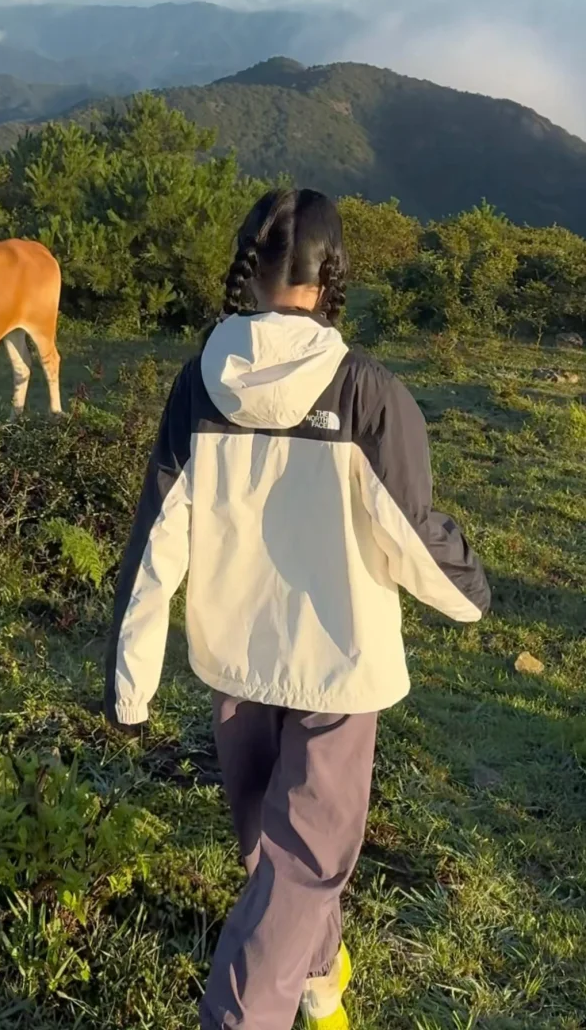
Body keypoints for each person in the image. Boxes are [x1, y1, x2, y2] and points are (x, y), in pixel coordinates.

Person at [103, 188, 491, 1030]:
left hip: (235, 665)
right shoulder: (367, 394)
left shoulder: (198, 387)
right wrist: (472, 592)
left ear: (247, 271)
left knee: (271, 857)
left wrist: (130, 688)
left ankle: (319, 979)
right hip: (339, 671)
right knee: (299, 867)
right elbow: (413, 537)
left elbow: (154, 548)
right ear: (333, 277)